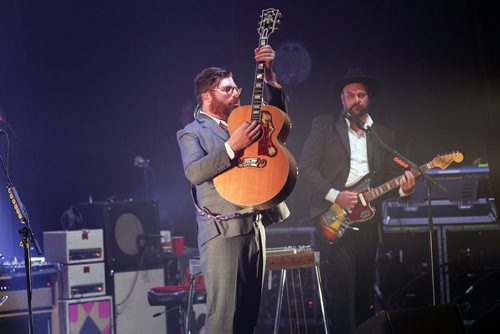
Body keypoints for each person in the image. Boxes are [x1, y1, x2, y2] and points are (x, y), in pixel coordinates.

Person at [176, 45, 289, 334]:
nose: (237, 93)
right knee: (223, 319)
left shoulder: (244, 121)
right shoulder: (192, 132)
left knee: (249, 316)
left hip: (254, 227)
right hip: (222, 233)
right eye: (228, 90)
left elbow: (278, 123)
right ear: (206, 97)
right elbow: (194, 172)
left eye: (236, 87)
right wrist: (231, 146)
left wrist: (271, 78)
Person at [299, 68, 416, 334]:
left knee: (365, 290)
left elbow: (387, 178)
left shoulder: (384, 135)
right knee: (342, 290)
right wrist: (335, 195)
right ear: (341, 99)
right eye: (350, 95)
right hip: (334, 216)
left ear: (369, 99)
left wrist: (404, 190)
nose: (356, 100)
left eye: (361, 94)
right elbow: (305, 169)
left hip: (368, 219)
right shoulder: (324, 125)